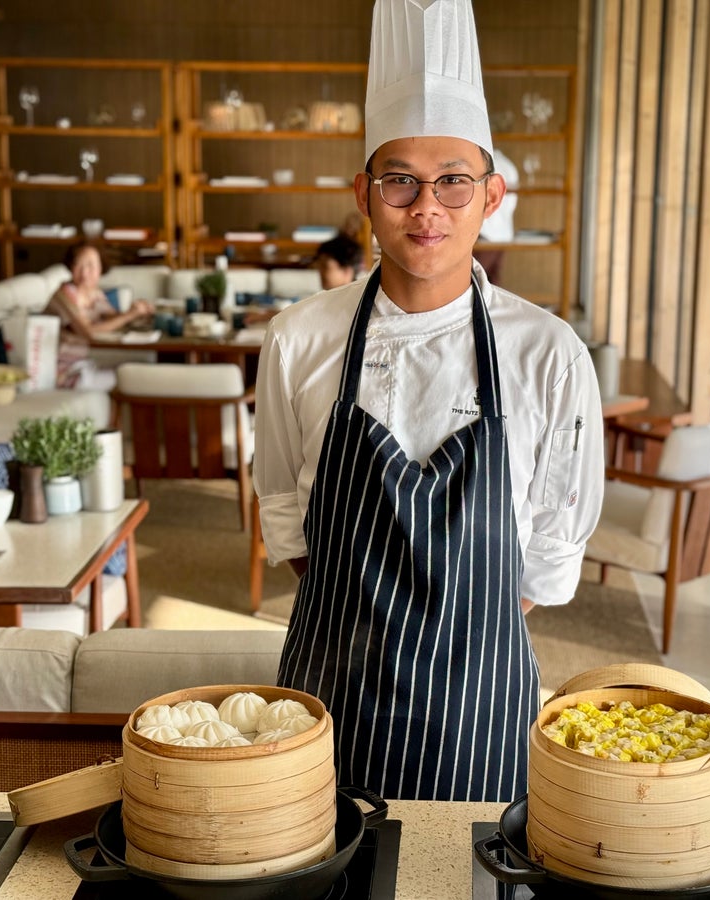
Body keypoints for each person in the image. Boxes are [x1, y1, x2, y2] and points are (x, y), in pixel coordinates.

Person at [253, 0, 603, 803]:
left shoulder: (549, 354)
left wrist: (455, 633)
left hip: (479, 706)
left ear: (493, 193)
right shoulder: (298, 339)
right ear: (364, 193)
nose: (427, 207)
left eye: (453, 181)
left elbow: (547, 560)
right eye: (401, 180)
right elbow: (286, 513)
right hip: (326, 696)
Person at [45, 241, 154, 390]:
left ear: (100, 269)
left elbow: (111, 317)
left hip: (88, 362)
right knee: (134, 379)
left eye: (90, 266)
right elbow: (89, 332)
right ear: (70, 267)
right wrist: (129, 315)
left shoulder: (94, 292)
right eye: (79, 265)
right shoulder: (65, 294)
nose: (84, 273)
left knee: (141, 370)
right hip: (64, 370)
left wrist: (137, 311)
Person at [474, 147, 519, 285]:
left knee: (473, 282)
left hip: (484, 233)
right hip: (503, 234)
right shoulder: (509, 165)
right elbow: (512, 203)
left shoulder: (481, 163)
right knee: (493, 282)